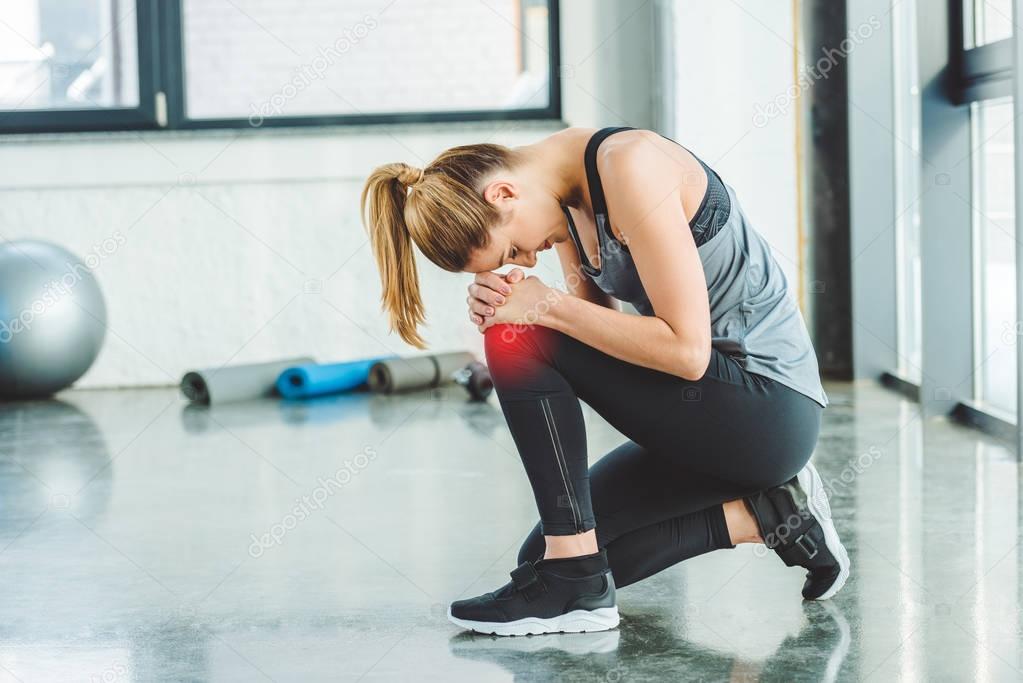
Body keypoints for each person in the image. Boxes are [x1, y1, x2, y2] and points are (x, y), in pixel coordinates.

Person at [360, 126, 850, 637]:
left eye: (510, 250)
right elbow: (600, 338)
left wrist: (537, 309)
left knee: (517, 335)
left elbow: (686, 351)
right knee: (547, 557)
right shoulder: (566, 197)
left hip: (768, 410)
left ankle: (574, 581)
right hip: (708, 416)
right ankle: (769, 515)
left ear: (503, 194)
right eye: (511, 262)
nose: (527, 261)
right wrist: (521, 303)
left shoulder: (629, 164)